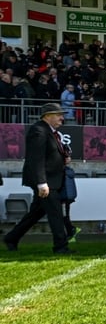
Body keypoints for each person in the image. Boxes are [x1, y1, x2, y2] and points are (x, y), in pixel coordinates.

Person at [4, 103, 75, 254]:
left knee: (36, 213)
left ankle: (11, 237)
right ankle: (61, 247)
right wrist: (41, 183)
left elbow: (49, 155)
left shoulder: (49, 131)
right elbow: (36, 159)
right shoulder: (39, 130)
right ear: (47, 116)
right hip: (46, 181)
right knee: (55, 213)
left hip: (52, 180)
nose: (62, 118)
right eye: (58, 115)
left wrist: (64, 159)